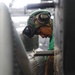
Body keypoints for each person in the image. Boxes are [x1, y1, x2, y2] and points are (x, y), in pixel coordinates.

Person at [22, 10, 54, 75]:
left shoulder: (58, 36)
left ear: (46, 23)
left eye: (40, 32)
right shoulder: (53, 38)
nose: (42, 36)